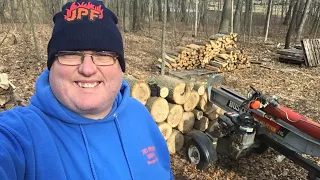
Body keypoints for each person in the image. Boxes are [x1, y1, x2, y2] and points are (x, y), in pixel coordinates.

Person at [0, 0, 173, 179]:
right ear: (52, 65)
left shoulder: (139, 114)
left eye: (103, 54)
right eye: (71, 54)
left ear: (121, 66)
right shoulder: (22, 135)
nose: (88, 69)